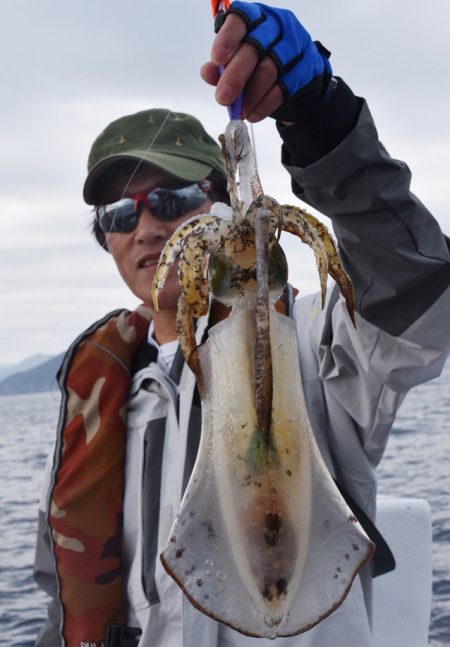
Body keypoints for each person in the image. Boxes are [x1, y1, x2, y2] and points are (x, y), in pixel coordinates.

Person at [34, 2, 450, 646]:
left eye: (173, 200)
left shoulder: (314, 346)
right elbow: (62, 603)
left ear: (222, 203)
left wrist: (321, 120)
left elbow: (412, 296)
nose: (148, 227)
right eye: (120, 214)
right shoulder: (96, 404)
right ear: (106, 239)